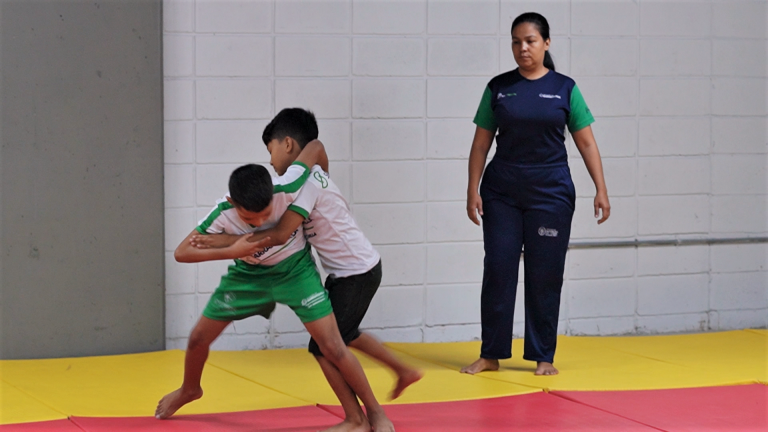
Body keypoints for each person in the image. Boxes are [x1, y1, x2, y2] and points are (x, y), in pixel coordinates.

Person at [191, 108, 422, 431]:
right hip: (353, 270)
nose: (270, 161)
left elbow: (282, 233)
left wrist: (226, 244)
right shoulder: (312, 177)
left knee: (325, 349)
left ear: (287, 145)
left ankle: (365, 418)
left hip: (356, 272)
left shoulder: (302, 184)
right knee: (347, 335)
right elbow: (317, 150)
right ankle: (402, 372)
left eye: (270, 150)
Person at [155, 141, 394, 432]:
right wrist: (231, 250)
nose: (257, 222)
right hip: (248, 276)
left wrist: (325, 179)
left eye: (265, 214)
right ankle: (189, 389)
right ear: (233, 204)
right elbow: (182, 252)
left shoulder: (289, 185)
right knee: (197, 339)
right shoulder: (222, 212)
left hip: (295, 271)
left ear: (274, 193)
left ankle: (374, 412)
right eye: (248, 218)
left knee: (332, 346)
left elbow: (315, 147)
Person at [461, 12, 610, 377]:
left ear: (546, 43)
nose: (522, 48)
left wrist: (601, 189)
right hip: (502, 193)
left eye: (529, 40)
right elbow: (480, 145)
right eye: (516, 41)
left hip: (551, 193)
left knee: (545, 274)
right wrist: (472, 190)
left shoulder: (565, 88)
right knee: (498, 268)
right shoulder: (498, 87)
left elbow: (586, 142)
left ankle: (543, 355)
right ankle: (491, 353)